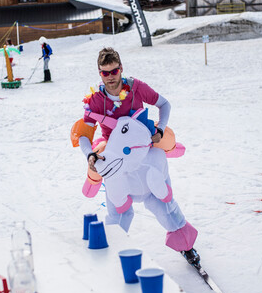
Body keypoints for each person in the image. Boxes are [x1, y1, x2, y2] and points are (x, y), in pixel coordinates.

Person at [71, 47, 200, 265]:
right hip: (116, 159)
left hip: (144, 150)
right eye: (105, 73)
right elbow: (84, 133)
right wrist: (89, 154)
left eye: (114, 71)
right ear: (99, 73)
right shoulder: (95, 99)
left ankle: (185, 243)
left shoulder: (137, 88)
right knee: (118, 213)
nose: (111, 77)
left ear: (121, 69)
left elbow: (164, 104)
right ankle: (110, 252)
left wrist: (161, 129)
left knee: (163, 202)